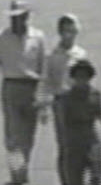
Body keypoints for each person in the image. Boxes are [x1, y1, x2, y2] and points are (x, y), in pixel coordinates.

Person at [0, 0, 47, 185]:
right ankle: (17, 176)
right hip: (11, 86)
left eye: (20, 17)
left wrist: (43, 96)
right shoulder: (2, 37)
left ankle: (23, 169)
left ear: (27, 17)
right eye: (13, 18)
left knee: (28, 135)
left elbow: (43, 68)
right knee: (13, 136)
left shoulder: (37, 37)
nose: (16, 22)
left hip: (31, 86)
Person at [38, 14, 89, 185]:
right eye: (66, 31)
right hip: (61, 103)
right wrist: (44, 106)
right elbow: (46, 81)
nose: (70, 35)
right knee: (65, 145)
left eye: (73, 31)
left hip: (80, 102)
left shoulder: (80, 54)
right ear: (60, 32)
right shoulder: (52, 55)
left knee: (80, 144)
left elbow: (87, 79)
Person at [59, 59, 101, 185]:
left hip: (91, 138)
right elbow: (62, 121)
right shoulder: (66, 97)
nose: (82, 79)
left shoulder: (95, 94)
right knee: (74, 178)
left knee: (97, 173)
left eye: (85, 76)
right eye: (79, 76)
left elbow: (100, 115)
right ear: (73, 77)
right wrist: (65, 142)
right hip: (74, 140)